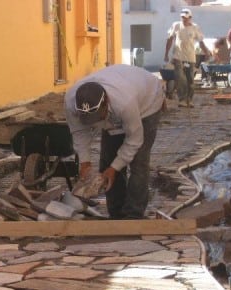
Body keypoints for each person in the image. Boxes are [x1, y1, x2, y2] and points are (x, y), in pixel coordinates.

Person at [64, 64, 165, 220]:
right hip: (121, 97)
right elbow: (79, 132)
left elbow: (134, 140)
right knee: (108, 161)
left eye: (97, 117)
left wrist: (115, 168)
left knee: (138, 163)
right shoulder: (71, 101)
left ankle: (133, 215)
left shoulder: (125, 103)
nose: (93, 123)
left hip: (148, 102)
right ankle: (116, 214)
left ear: (106, 102)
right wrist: (85, 163)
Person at [164, 8, 211, 108]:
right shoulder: (176, 25)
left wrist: (206, 52)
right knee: (180, 79)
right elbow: (170, 39)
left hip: (190, 58)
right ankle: (182, 100)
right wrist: (166, 53)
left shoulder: (195, 28)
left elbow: (201, 42)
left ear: (190, 17)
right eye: (182, 17)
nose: (184, 19)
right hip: (178, 57)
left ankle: (189, 100)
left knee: (190, 81)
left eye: (186, 18)